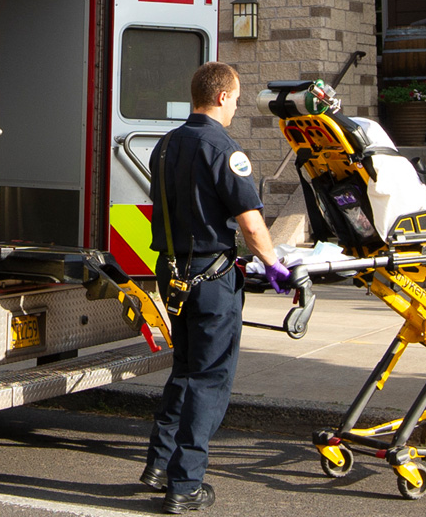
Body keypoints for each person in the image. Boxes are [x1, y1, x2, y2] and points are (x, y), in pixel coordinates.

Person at [138, 62, 292, 513]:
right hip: (211, 278)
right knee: (209, 379)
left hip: (172, 275)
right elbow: (249, 220)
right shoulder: (223, 147)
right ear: (223, 96)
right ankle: (185, 485)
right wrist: (274, 264)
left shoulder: (165, 145)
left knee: (185, 370)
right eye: (238, 96)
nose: (239, 103)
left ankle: (158, 463)